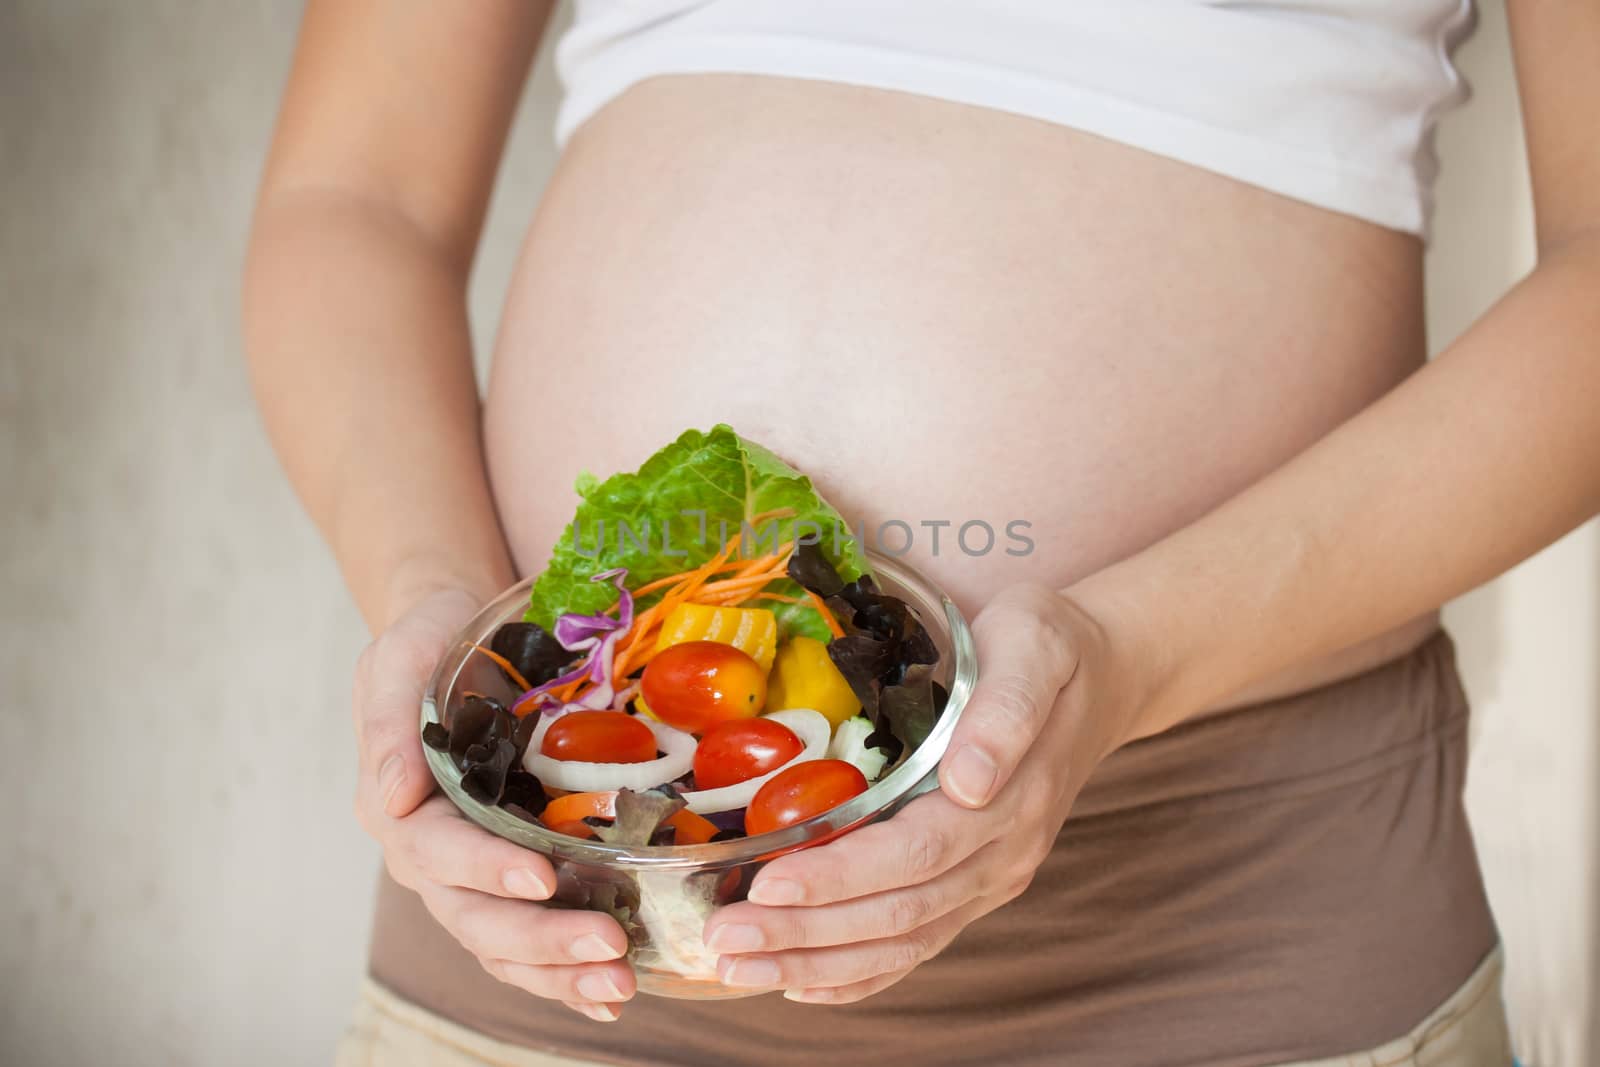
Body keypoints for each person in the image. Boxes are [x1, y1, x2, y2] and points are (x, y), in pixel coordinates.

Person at [242, 2, 1599, 1064]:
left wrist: (1130, 650)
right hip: (559, 940)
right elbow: (357, 200)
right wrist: (438, 615)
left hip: (1232, 950)